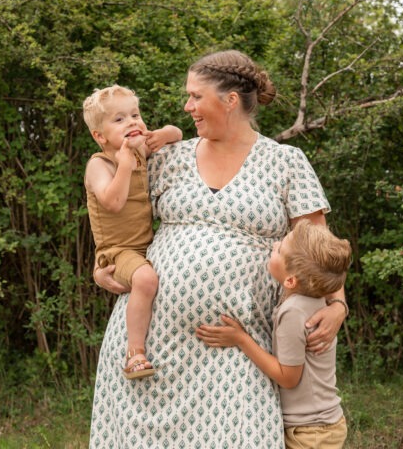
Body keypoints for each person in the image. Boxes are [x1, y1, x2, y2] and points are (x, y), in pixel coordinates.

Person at [89, 50, 348, 447]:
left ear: (229, 100)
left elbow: (321, 248)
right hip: (152, 350)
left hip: (240, 346)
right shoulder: (167, 159)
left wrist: (337, 307)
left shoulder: (285, 162)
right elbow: (117, 216)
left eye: (196, 96)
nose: (187, 106)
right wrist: (103, 265)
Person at [196, 220, 351, 449]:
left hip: (311, 432)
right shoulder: (311, 299)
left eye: (279, 250)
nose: (274, 245)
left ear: (290, 280)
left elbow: (288, 377)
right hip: (319, 426)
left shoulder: (294, 311)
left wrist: (241, 339)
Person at [83, 85, 182, 379]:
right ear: (100, 136)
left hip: (145, 246)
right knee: (146, 278)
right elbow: (113, 203)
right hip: (117, 251)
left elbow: (177, 133)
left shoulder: (140, 149)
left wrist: (165, 132)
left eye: (135, 115)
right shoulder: (99, 165)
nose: (132, 122)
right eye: (119, 119)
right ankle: (135, 353)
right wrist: (124, 166)